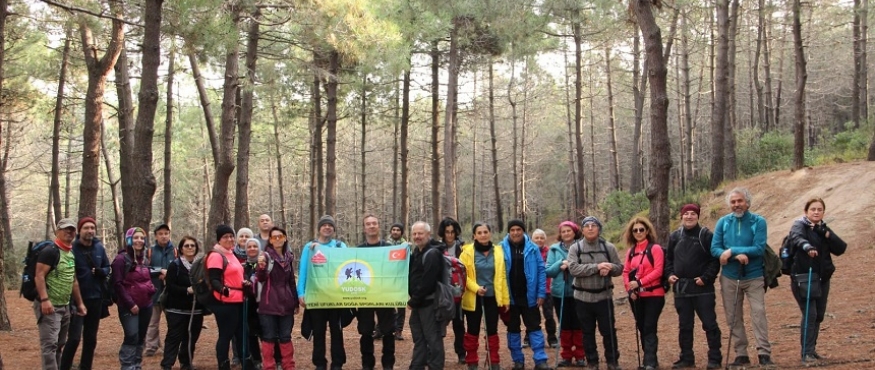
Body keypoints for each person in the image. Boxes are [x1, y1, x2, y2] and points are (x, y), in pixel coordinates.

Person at [710, 187, 774, 366]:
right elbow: (714, 248)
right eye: (733, 202)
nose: (736, 205)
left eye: (740, 201)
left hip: (754, 276)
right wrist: (734, 255)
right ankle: (741, 353)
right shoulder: (723, 222)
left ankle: (764, 352)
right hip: (729, 276)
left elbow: (759, 248)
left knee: (758, 312)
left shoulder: (758, 221)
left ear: (747, 203)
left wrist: (731, 251)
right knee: (733, 316)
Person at [786, 198, 846, 363]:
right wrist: (807, 247)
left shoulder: (823, 229)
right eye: (813, 209)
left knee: (818, 315)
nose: (816, 212)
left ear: (823, 212)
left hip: (821, 278)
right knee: (810, 314)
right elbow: (796, 238)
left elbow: (841, 248)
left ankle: (811, 350)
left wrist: (826, 234)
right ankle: (806, 352)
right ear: (806, 211)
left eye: (820, 209)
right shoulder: (799, 225)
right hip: (803, 278)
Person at [665, 204, 722, 369]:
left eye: (693, 214)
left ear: (698, 216)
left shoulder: (706, 235)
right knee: (685, 325)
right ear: (681, 216)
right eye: (686, 214)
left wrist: (706, 278)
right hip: (682, 288)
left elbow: (714, 259)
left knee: (709, 324)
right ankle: (686, 357)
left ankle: (715, 358)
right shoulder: (675, 236)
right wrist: (669, 274)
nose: (689, 216)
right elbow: (668, 259)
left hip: (702, 289)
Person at [566, 216, 623, 370]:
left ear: (599, 229)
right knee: (587, 332)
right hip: (582, 298)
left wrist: (610, 267)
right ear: (582, 230)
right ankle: (592, 362)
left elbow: (619, 268)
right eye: (587, 226)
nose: (590, 228)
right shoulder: (575, 248)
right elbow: (573, 269)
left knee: (609, 331)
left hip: (604, 297)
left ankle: (612, 362)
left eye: (594, 225)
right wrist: (597, 267)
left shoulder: (608, 247)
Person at [34, 218, 87, 370]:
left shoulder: (70, 253)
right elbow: (39, 276)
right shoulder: (50, 252)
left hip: (64, 306)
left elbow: (73, 280)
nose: (69, 232)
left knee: (59, 344)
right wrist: (45, 300)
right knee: (50, 345)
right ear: (58, 232)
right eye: (65, 229)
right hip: (49, 306)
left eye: (71, 230)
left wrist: (80, 303)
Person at [299, 215, 349, 370]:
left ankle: (337, 363)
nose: (327, 227)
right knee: (318, 332)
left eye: (330, 225)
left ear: (333, 229)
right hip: (316, 296)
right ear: (319, 228)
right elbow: (303, 272)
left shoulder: (341, 246)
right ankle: (320, 363)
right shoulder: (310, 247)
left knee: (337, 331)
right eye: (324, 225)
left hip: (336, 297)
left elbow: (347, 269)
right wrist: (301, 293)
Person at [59, 217, 109, 370]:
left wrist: (102, 271)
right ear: (80, 230)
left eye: (92, 228)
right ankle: (64, 367)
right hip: (76, 301)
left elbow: (108, 267)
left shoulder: (99, 248)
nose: (90, 231)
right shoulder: (72, 249)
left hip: (96, 299)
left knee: (91, 339)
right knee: (74, 338)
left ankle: (85, 366)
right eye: (86, 228)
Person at [501, 219, 550, 370]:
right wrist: (502, 297)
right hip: (511, 299)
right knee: (513, 329)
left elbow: (542, 271)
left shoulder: (533, 248)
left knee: (534, 327)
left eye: (518, 230)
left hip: (530, 297)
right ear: (509, 232)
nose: (516, 232)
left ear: (523, 231)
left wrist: (541, 293)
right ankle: (518, 361)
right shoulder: (500, 248)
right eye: (513, 230)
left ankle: (540, 360)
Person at [460, 222, 508, 370]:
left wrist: (505, 299)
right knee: (473, 330)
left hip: (493, 298)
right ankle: (472, 362)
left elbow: (503, 276)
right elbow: (463, 274)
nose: (482, 235)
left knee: (492, 330)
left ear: (490, 233)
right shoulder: (466, 252)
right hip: (474, 297)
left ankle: (494, 361)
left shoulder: (498, 251)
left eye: (485, 232)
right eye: (479, 233)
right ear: (474, 235)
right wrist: (475, 288)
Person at [622, 216, 666, 370]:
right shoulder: (631, 251)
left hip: (654, 294)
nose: (639, 232)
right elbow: (626, 271)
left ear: (647, 231)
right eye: (635, 230)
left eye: (641, 229)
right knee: (641, 326)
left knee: (649, 326)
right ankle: (648, 358)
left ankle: (650, 362)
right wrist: (629, 289)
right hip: (636, 296)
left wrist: (640, 283)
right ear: (631, 233)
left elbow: (658, 271)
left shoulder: (655, 249)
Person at [112, 227, 157, 370]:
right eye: (136, 237)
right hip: (128, 306)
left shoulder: (144, 259)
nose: (139, 241)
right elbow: (117, 284)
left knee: (141, 337)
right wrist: (130, 304)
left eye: (142, 238)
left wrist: (151, 291)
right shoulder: (121, 259)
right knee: (131, 335)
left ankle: (136, 365)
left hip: (146, 305)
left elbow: (146, 278)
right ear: (129, 239)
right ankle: (127, 366)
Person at [355, 215, 396, 370]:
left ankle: (388, 364)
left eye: (374, 223)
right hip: (365, 297)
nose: (371, 226)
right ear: (364, 228)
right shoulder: (358, 250)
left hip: (385, 296)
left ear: (378, 226)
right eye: (368, 224)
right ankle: (367, 364)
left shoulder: (388, 248)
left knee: (388, 331)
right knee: (365, 332)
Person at [256, 227, 299, 370]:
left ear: (285, 238)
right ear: (270, 240)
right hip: (269, 303)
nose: (277, 239)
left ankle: (288, 366)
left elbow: (291, 281)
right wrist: (261, 267)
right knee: (268, 337)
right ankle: (269, 366)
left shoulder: (288, 257)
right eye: (274, 237)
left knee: (286, 336)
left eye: (280, 236)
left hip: (286, 303)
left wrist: (296, 301)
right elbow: (260, 278)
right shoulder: (266, 257)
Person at [160, 236, 205, 370]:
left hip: (196, 310)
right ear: (181, 249)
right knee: (174, 338)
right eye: (187, 246)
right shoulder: (175, 265)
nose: (190, 248)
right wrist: (187, 290)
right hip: (176, 310)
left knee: (191, 338)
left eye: (192, 245)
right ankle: (167, 364)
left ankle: (186, 363)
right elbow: (170, 287)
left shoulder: (201, 266)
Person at [407, 221, 446, 370]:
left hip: (429, 303)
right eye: (415, 234)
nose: (417, 236)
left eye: (420, 233)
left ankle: (435, 366)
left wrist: (413, 301)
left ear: (428, 235)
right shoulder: (417, 253)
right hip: (418, 304)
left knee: (433, 338)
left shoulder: (433, 253)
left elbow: (427, 282)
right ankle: (417, 365)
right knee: (419, 337)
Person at [546, 221, 585, 367]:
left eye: (569, 230)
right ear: (560, 234)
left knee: (578, 323)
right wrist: (560, 264)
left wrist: (572, 265)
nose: (566, 233)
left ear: (575, 232)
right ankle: (567, 355)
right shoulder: (554, 249)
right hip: (559, 292)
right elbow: (548, 271)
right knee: (564, 324)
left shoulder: (582, 247)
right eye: (563, 231)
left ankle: (580, 355)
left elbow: (585, 266)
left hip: (579, 291)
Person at [208, 224, 246, 370]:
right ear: (219, 239)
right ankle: (223, 365)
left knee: (240, 333)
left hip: (238, 300)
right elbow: (214, 279)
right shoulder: (216, 255)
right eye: (225, 237)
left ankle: (246, 363)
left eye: (231, 236)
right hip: (225, 302)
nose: (230, 239)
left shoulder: (231, 254)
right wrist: (223, 290)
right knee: (226, 334)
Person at [145, 223, 176, 357]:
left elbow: (181, 268)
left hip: (171, 294)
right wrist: (159, 272)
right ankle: (151, 347)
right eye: (161, 234)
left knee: (173, 322)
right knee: (152, 323)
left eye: (166, 233)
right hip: (154, 292)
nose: (164, 236)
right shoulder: (150, 251)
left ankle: (171, 346)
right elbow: (145, 270)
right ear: (156, 236)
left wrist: (169, 274)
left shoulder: (175, 251)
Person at [438, 216, 466, 363]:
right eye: (447, 232)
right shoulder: (437, 248)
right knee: (440, 324)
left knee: (459, 324)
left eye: (452, 232)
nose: (449, 235)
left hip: (460, 292)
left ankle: (461, 352)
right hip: (442, 292)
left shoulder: (463, 248)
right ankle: (437, 354)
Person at [527, 228, 558, 349]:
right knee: (531, 315)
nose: (539, 240)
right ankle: (528, 337)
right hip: (531, 290)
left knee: (549, 315)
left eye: (541, 238)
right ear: (532, 239)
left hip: (547, 289)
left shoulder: (550, 252)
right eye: (536, 238)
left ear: (545, 239)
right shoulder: (528, 252)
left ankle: (552, 338)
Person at [231, 226, 255, 366]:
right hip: (235, 296)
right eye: (242, 236)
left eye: (247, 236)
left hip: (251, 296)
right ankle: (236, 355)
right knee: (235, 327)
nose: (244, 239)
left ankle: (250, 355)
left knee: (250, 327)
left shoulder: (254, 253)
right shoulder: (231, 254)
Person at [241, 237, 264, 368]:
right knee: (251, 332)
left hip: (264, 304)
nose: (252, 249)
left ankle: (274, 359)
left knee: (267, 332)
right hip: (249, 303)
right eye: (249, 247)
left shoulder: (264, 264)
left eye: (255, 246)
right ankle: (256, 359)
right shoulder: (243, 266)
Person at [386, 222, 408, 343]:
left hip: (401, 279)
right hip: (388, 278)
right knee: (386, 304)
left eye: (398, 230)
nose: (395, 232)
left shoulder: (405, 245)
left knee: (401, 305)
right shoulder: (385, 245)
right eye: (393, 229)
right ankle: (381, 328)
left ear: (401, 232)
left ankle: (399, 330)